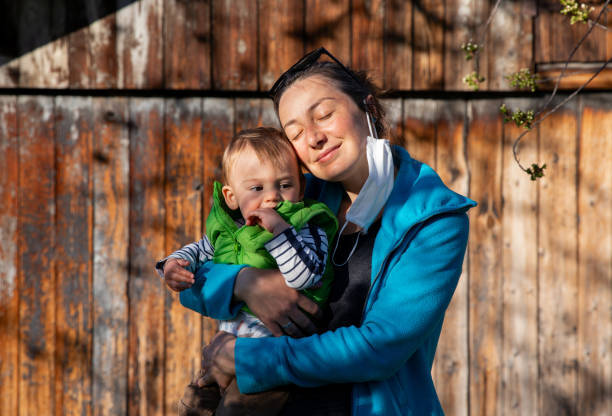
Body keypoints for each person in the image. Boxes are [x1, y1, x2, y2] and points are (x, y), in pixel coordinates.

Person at [161, 47, 477, 415]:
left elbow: (380, 348)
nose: (313, 138)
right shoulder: (293, 194)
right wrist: (245, 283)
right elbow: (197, 277)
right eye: (294, 133)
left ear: (368, 109)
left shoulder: (431, 218)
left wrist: (251, 357)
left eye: (324, 115)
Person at [157, 127, 338, 415]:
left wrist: (280, 231)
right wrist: (173, 264)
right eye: (257, 188)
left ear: (301, 188)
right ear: (231, 197)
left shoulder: (307, 227)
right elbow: (201, 251)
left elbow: (306, 275)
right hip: (223, 351)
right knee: (192, 406)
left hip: (269, 361)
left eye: (284, 185)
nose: (272, 198)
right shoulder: (231, 230)